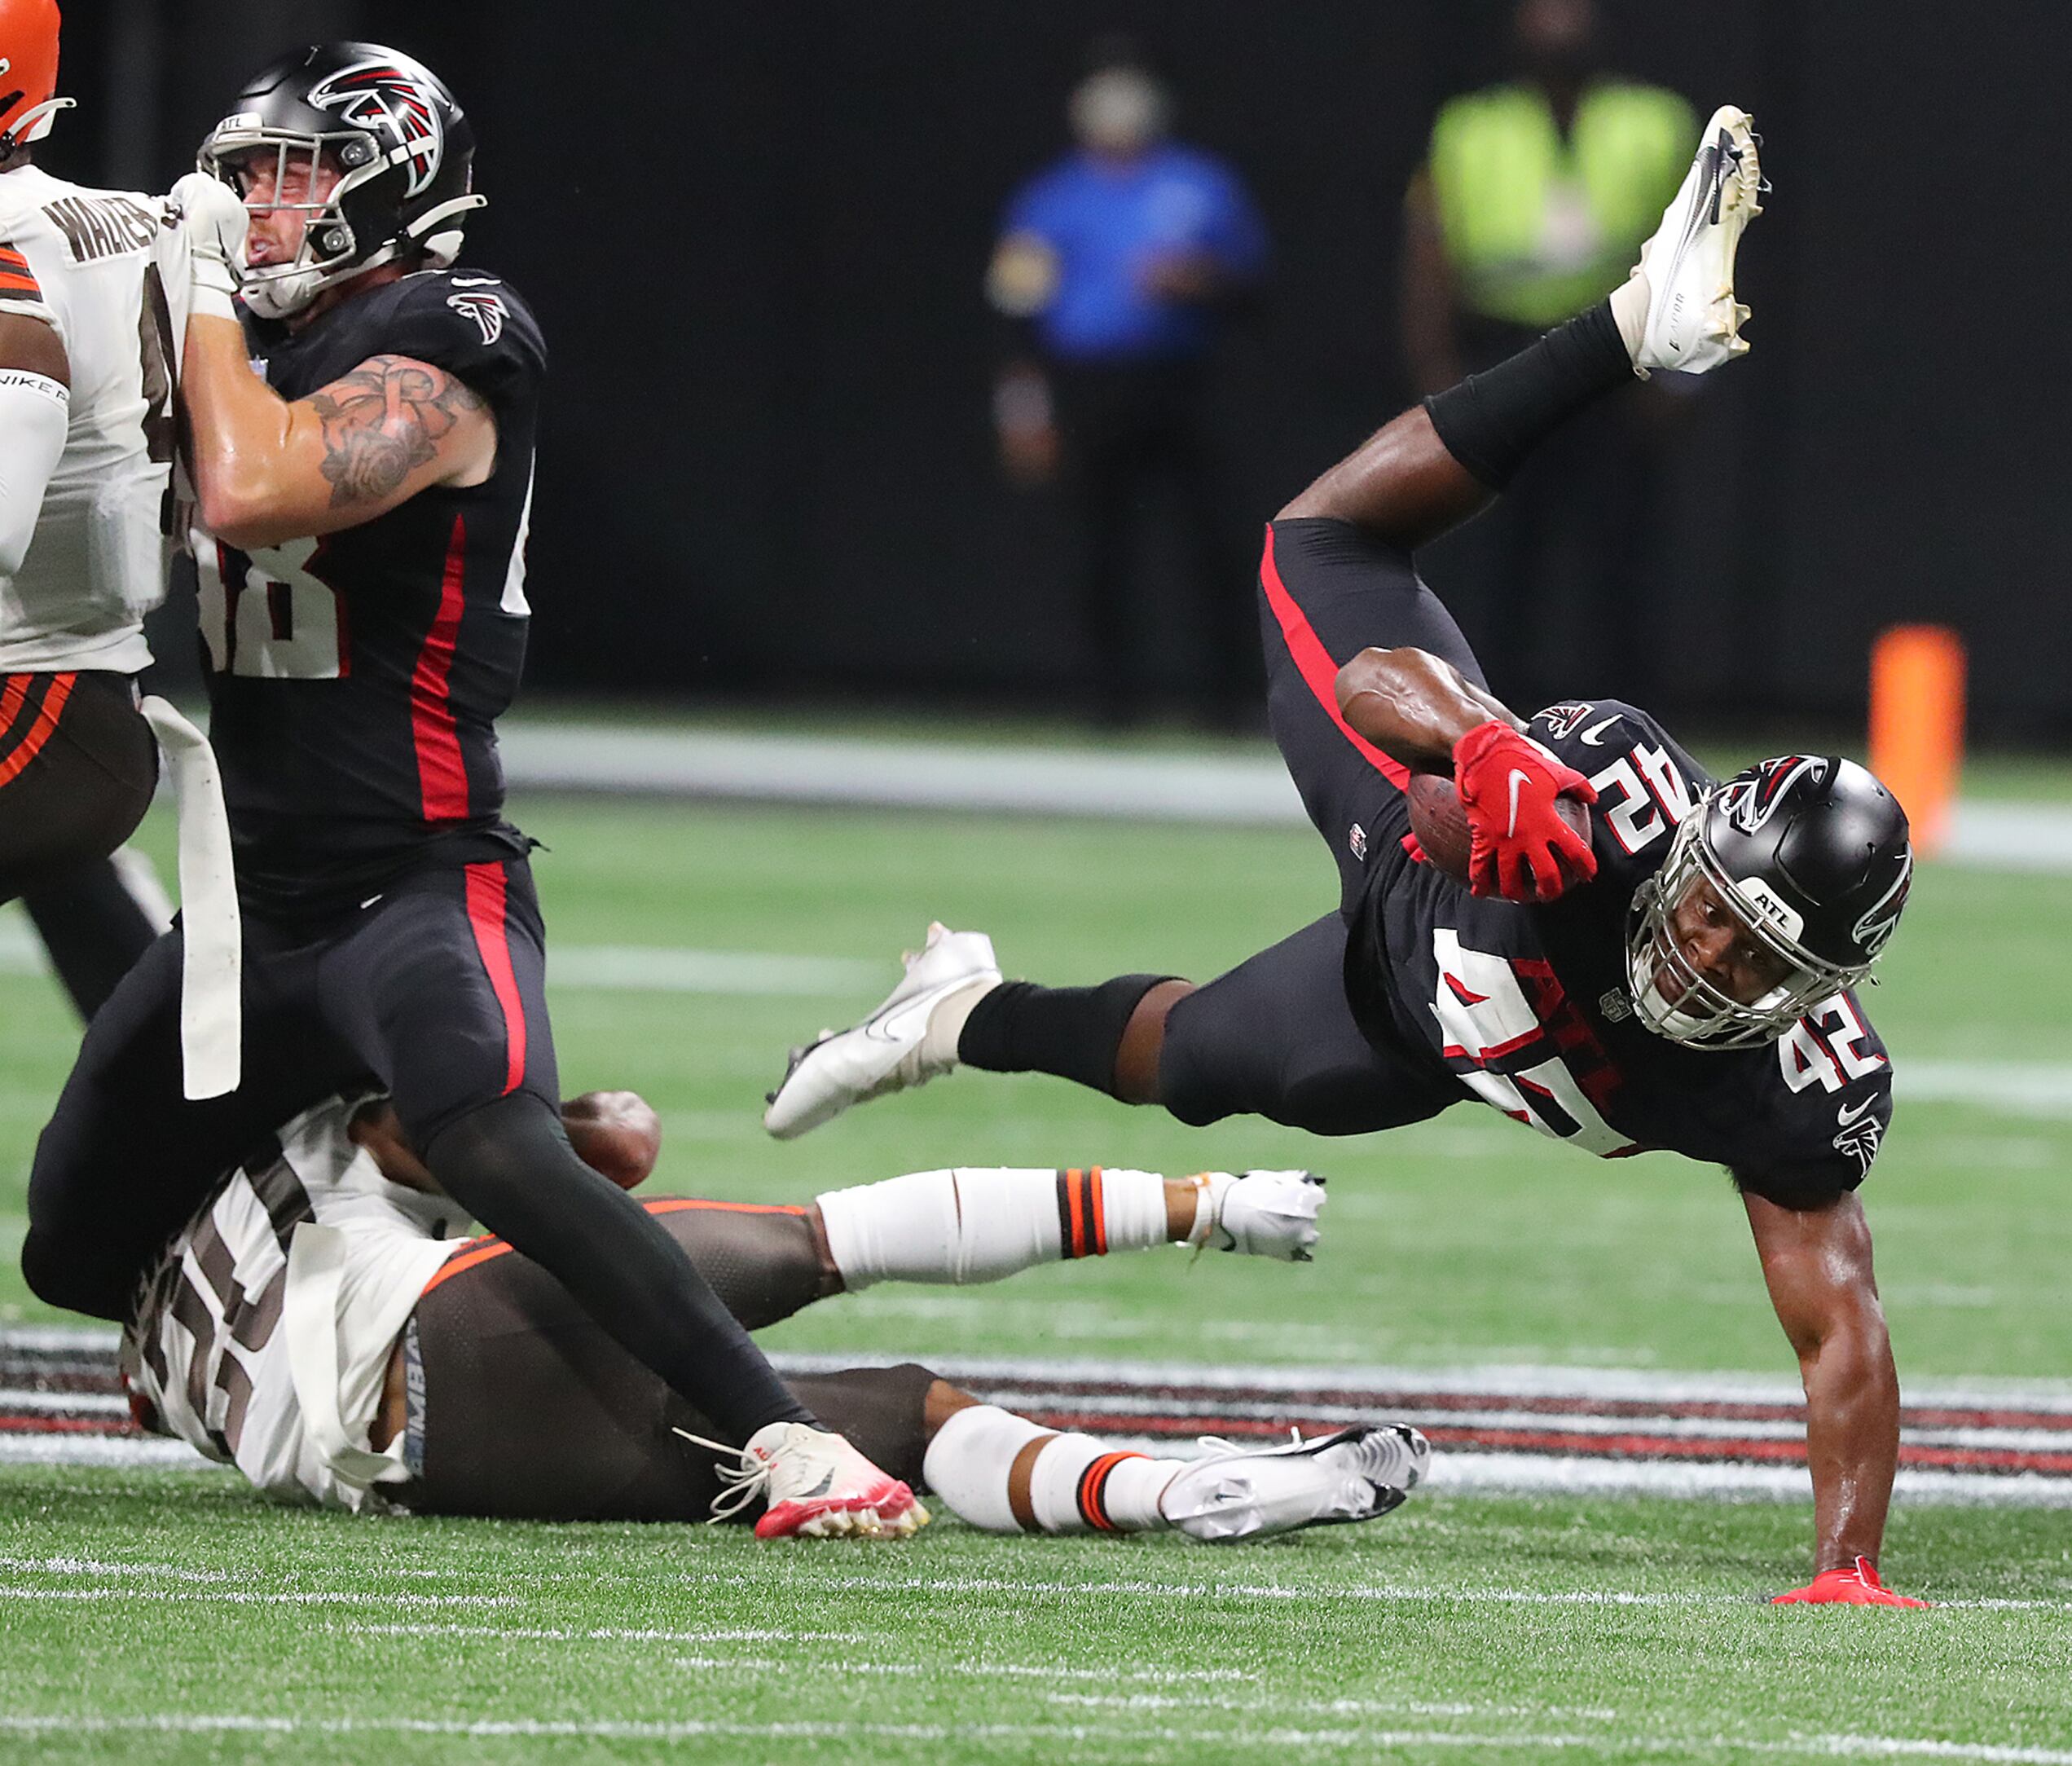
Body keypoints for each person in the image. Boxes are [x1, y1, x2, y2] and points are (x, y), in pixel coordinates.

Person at [773, 112, 1926, 1607]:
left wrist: (1851, 1565)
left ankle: (952, 1010)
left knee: (1185, 1067)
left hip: (1421, 1031)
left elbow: (1841, 1326)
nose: (1712, 955)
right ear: (1692, 853)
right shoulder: (1604, 807)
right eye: (1715, 915)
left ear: (1819, 985)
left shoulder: (1805, 1088)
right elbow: (1377, 676)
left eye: (1761, 959)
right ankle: (1627, 321)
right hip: (1430, 859)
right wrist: (1483, 745)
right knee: (1317, 544)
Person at [24, 44, 921, 1541]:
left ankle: (792, 1437)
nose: (254, 205)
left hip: (417, 877)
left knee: (500, 1145)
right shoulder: (239, 327)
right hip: (257, 903)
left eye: (294, 171)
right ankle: (393, 1128)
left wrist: (180, 304)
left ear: (393, 182)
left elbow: (254, 487)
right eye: (243, 173)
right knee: (70, 1244)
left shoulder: (449, 331)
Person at [124, 1082, 1427, 1536]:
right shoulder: (297, 1139)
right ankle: (1208, 1200)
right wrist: (576, 1115)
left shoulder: (153, 1321)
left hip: (425, 1463)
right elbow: (517, 1142)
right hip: (438, 1325)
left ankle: (1178, 1490)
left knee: (911, 1418)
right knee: (824, 1241)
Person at [1399, 0, 1695, 707]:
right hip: (1506, 351)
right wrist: (1435, 369)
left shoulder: (1655, 122)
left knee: (1622, 551)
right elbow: (1428, 249)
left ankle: (1635, 723)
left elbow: (1696, 250)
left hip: (1617, 353)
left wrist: (1680, 378)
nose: (1557, 22)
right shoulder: (1469, 128)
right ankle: (1487, 719)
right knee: (1500, 554)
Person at [0, 0, 188, 1005]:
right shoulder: (142, 218)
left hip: (33, 671)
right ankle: (275, 1133)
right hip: (97, 657)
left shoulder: (11, 242)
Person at [988, 48, 1266, 723]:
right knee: (1098, 547)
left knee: (1213, 540)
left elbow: (1251, 286)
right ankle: (1108, 700)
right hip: (1090, 388)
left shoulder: (1200, 186)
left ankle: (1227, 700)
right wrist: (1023, 413)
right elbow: (1013, 317)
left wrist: (1199, 283)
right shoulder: (1050, 200)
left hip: (1179, 381)